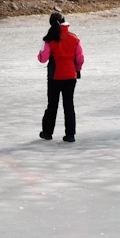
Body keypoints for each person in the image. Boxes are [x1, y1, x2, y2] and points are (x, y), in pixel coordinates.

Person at [38, 12, 84, 142]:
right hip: (70, 75)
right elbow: (80, 58)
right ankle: (70, 134)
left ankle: (47, 132)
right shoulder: (74, 38)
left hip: (55, 76)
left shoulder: (48, 39)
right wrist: (77, 70)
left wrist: (41, 51)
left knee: (52, 105)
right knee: (68, 105)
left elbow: (43, 59)